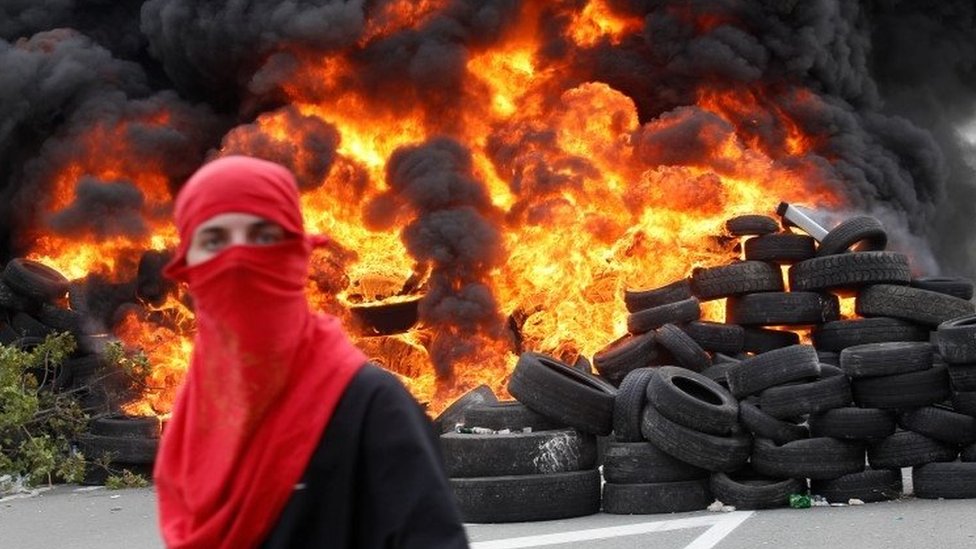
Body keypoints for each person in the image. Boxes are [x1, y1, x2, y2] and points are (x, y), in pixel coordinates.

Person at [154, 156, 470, 549]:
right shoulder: (192, 418)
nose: (238, 259)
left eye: (261, 236)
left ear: (296, 255)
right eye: (213, 240)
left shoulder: (371, 406)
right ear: (188, 271)